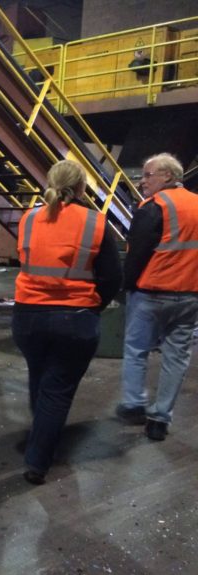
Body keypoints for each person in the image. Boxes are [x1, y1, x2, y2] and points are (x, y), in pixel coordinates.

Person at [12, 159, 121, 485]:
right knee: (57, 390)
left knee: (41, 378)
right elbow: (113, 276)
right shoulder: (95, 223)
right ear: (81, 188)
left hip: (27, 317)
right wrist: (94, 306)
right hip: (74, 319)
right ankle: (38, 460)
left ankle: (41, 436)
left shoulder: (29, 218)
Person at [116, 153, 198, 441]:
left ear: (167, 176)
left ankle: (134, 404)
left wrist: (126, 286)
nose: (142, 181)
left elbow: (137, 253)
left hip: (151, 293)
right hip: (189, 295)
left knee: (137, 349)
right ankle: (160, 419)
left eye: (148, 175)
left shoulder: (153, 207)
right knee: (176, 358)